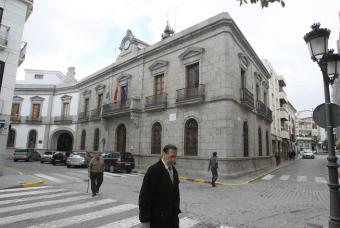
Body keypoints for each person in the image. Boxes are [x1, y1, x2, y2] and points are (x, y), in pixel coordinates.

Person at [139, 144, 181, 228]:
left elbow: (175, 193)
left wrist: (176, 210)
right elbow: (144, 197)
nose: (174, 160)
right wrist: (145, 220)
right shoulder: (154, 170)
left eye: (175, 157)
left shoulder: (174, 171)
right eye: (171, 156)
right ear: (164, 154)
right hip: (158, 220)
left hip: (172, 219)